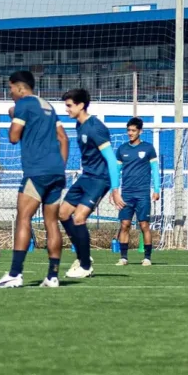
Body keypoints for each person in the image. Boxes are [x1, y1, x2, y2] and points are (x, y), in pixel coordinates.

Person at [0, 69, 70, 288]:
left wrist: (14, 116)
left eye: (10, 88)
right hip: (56, 172)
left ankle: (15, 274)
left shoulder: (24, 104)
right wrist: (60, 166)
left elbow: (14, 137)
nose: (10, 93)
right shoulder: (48, 106)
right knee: (51, 222)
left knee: (23, 217)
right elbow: (63, 138)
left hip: (37, 171)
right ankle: (53, 276)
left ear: (19, 87)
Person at [57, 89, 121, 281]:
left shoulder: (95, 128)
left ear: (80, 105)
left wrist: (116, 190)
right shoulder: (79, 124)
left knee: (78, 218)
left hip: (99, 180)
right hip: (86, 177)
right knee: (62, 213)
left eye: (69, 106)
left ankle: (85, 265)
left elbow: (111, 160)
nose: (66, 109)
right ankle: (84, 256)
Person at [115, 117, 161, 267]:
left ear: (140, 131)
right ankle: (123, 258)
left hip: (142, 194)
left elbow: (154, 170)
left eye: (133, 130)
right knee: (124, 225)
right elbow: (116, 171)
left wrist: (156, 189)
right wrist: (114, 191)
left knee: (144, 225)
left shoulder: (148, 148)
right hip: (126, 194)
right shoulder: (122, 149)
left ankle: (147, 257)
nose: (130, 133)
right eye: (128, 130)